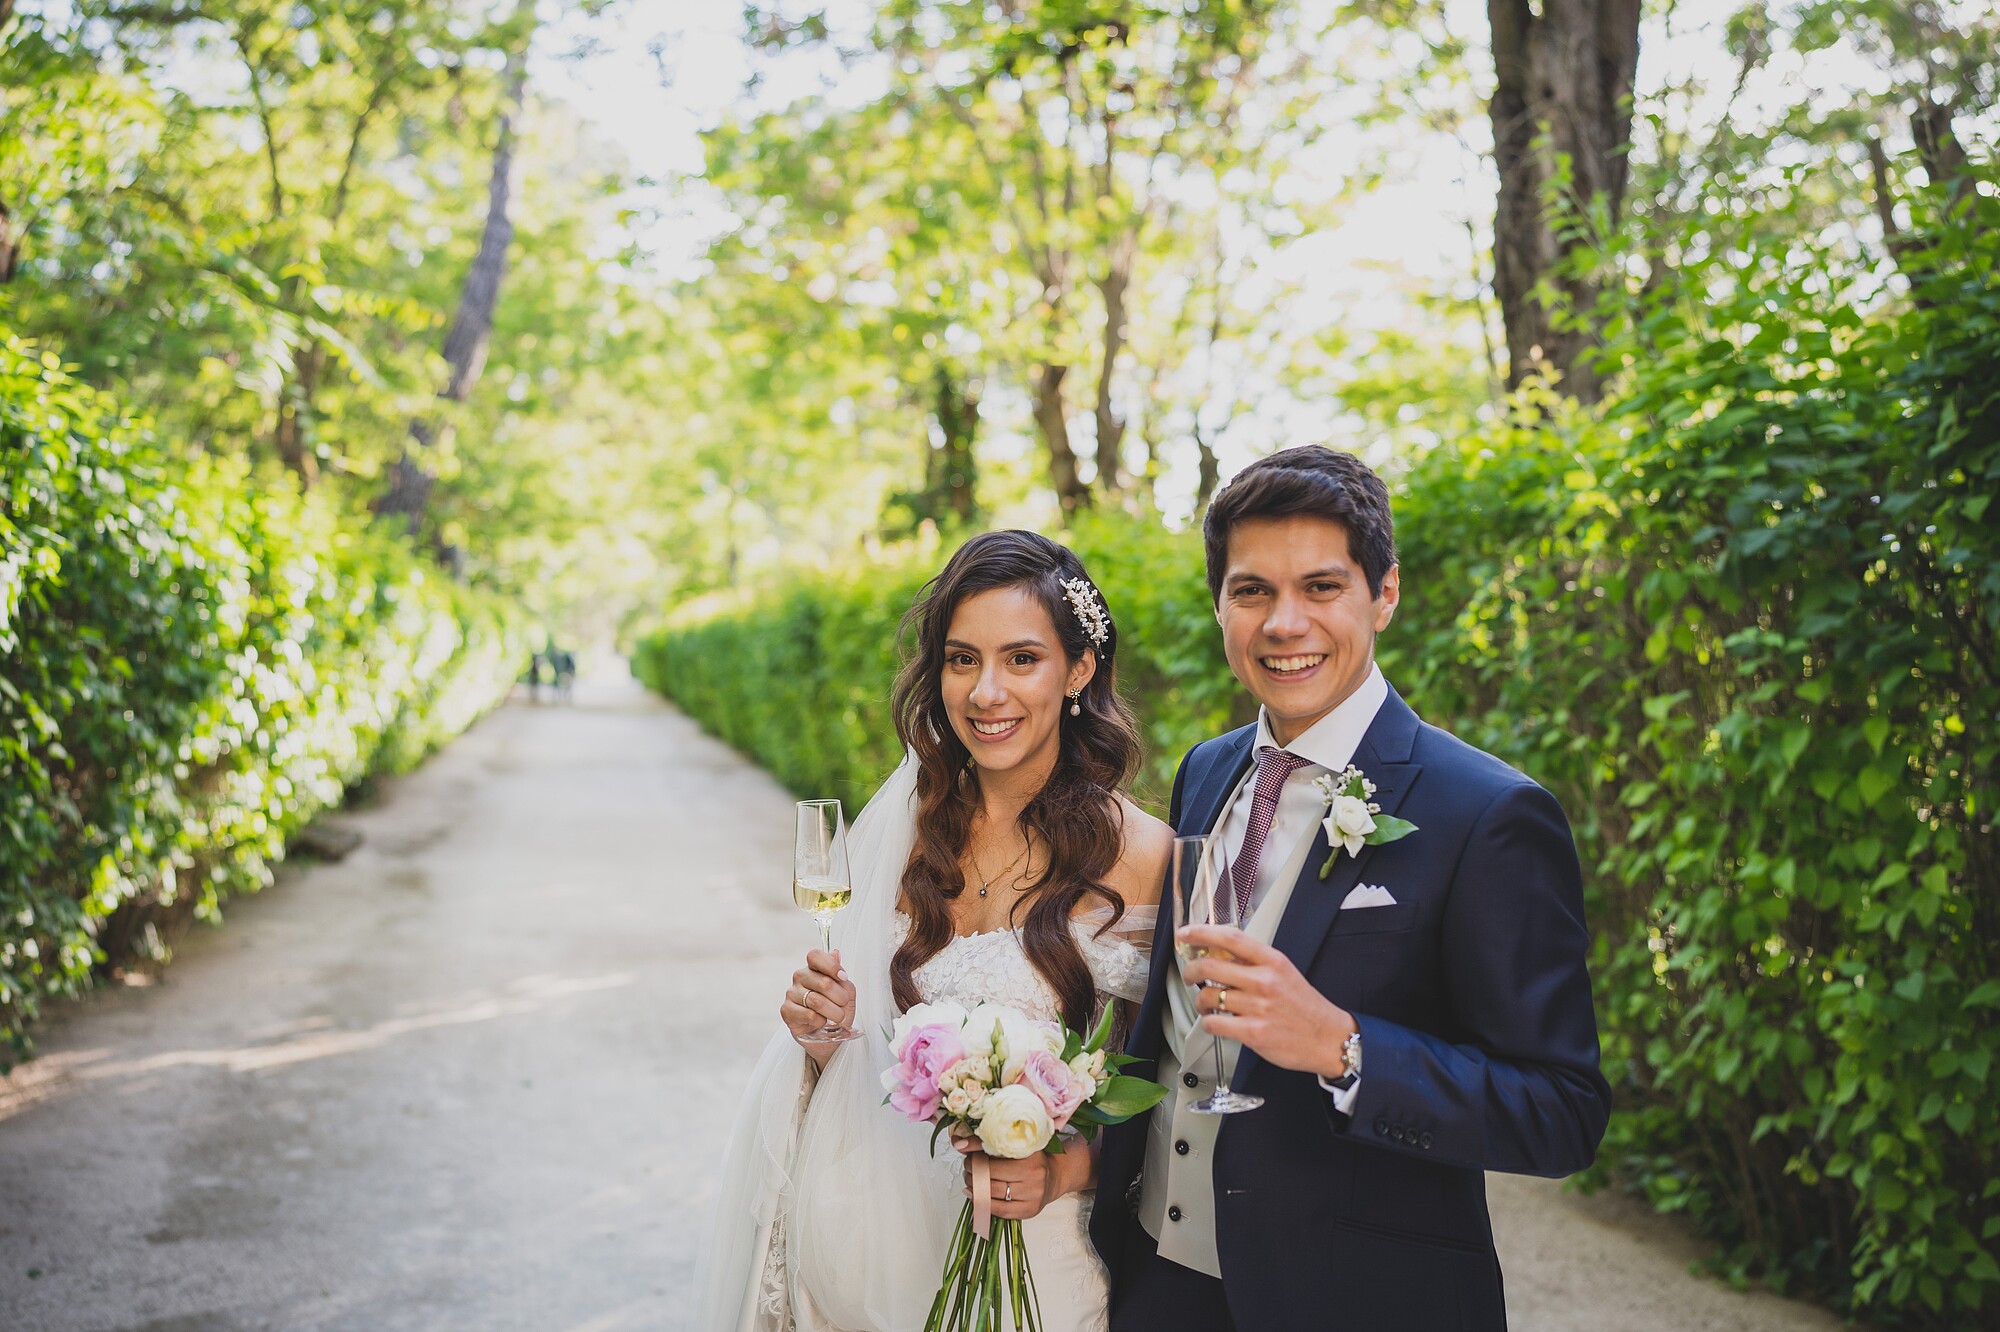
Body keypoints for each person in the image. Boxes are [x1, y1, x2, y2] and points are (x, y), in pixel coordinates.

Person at [1088, 445, 1611, 1331]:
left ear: (1386, 594)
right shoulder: (1207, 773)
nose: (1284, 622)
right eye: (1252, 591)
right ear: (1220, 606)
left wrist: (1344, 1048)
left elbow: (1561, 1112)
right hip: (1155, 1281)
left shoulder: (1488, 813)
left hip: (1353, 1297)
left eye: (1322, 588)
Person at [699, 530, 1174, 1332]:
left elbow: (1171, 1089)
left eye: (1022, 659)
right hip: (869, 1241)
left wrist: (1069, 1166)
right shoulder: (899, 829)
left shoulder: (1142, 855)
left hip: (1038, 1258)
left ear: (1079, 671)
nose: (987, 692)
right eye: (962, 660)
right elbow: (865, 1057)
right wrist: (824, 1037)